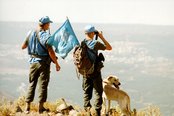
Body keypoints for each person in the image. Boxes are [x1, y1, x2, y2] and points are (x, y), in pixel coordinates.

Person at [21, 16, 61, 114]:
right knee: (43, 85)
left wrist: (34, 47)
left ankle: (27, 107)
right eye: (49, 24)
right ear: (46, 24)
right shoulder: (45, 35)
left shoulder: (30, 33)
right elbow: (50, 51)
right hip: (43, 63)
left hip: (33, 62)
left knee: (32, 83)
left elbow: (23, 46)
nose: (49, 25)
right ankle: (40, 108)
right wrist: (56, 63)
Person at [82, 25, 112, 116]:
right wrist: (101, 36)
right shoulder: (94, 43)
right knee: (98, 91)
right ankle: (97, 111)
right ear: (92, 33)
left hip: (85, 71)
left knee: (87, 91)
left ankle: (87, 110)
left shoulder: (82, 43)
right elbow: (109, 47)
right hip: (95, 72)